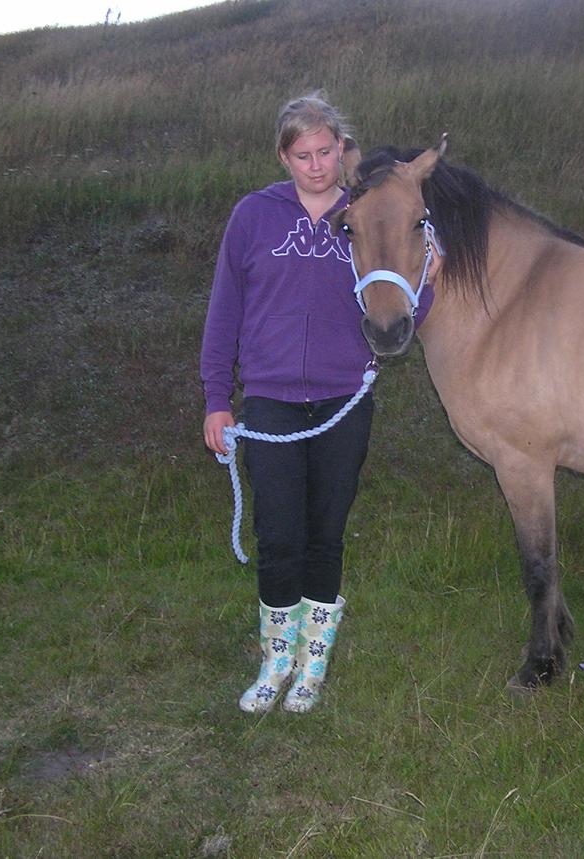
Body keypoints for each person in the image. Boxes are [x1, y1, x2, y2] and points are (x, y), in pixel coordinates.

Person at [201, 93, 373, 715]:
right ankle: (276, 661)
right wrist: (218, 399)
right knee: (279, 537)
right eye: (303, 155)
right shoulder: (253, 216)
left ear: (341, 148)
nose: (317, 166)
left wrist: (429, 288)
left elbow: (401, 300)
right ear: (284, 156)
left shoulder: (366, 213)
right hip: (270, 403)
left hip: (343, 402)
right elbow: (224, 312)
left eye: (326, 151)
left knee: (326, 535)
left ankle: (313, 665)